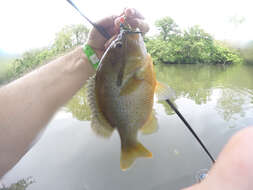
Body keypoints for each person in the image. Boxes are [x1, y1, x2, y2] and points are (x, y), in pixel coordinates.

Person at [0, 8, 252, 190]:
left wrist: (94, 52)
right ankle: (130, 144)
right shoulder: (136, 68)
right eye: (119, 46)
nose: (123, 41)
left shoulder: (133, 67)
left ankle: (128, 143)